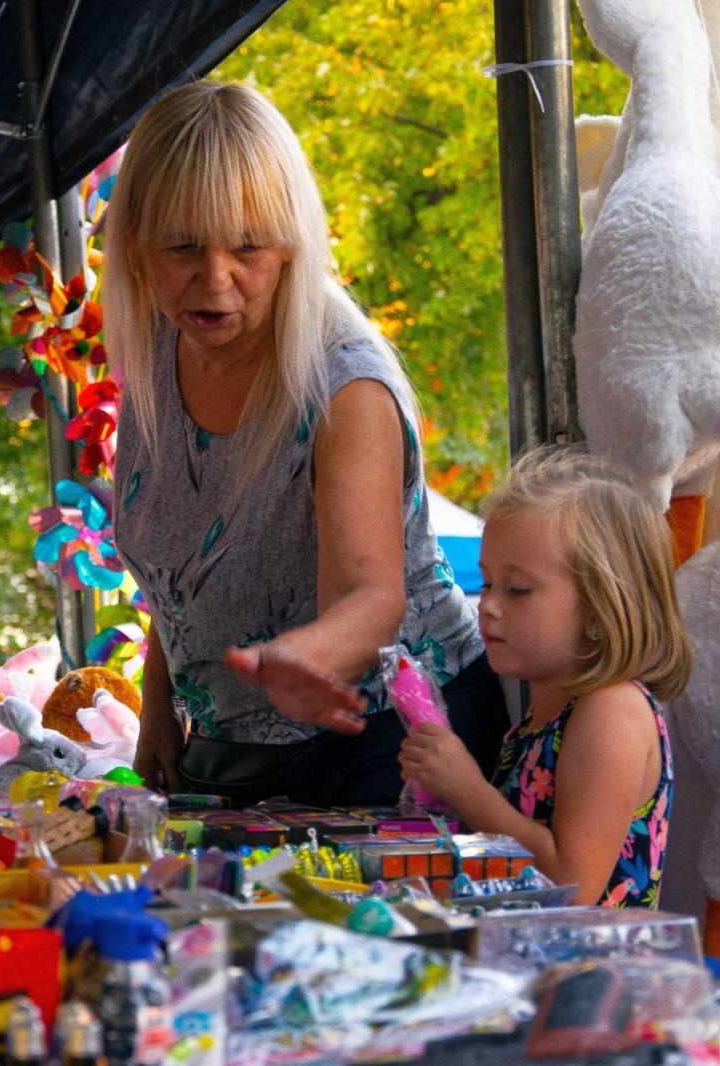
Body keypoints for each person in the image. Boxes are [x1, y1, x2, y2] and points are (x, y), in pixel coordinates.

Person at [103, 81, 506, 807]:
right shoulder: (160, 351)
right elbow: (183, 569)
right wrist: (157, 704)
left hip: (401, 740)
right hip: (240, 745)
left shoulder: (344, 386)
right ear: (137, 249)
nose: (215, 278)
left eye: (247, 246)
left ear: (290, 245)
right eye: (183, 245)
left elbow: (372, 594)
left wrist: (303, 658)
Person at [398, 448, 691, 907]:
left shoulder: (611, 712)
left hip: (597, 974)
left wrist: (467, 789)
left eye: (518, 589)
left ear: (600, 607)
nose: (489, 605)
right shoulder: (542, 717)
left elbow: (572, 885)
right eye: (489, 583)